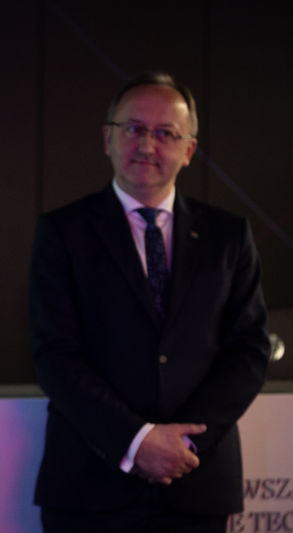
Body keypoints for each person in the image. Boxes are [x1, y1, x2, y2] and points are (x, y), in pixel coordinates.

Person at [29, 72, 270, 532]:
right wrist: (136, 441)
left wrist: (181, 447)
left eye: (165, 134)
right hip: (89, 489)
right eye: (133, 129)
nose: (147, 145)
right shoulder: (63, 232)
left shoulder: (228, 236)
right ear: (107, 137)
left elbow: (249, 350)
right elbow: (55, 354)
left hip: (195, 488)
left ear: (189, 150)